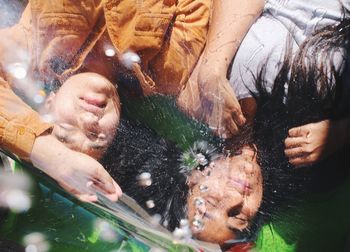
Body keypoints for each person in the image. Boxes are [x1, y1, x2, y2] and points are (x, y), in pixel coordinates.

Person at [0, 0, 210, 200]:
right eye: (96, 138)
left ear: (49, 103)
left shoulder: (38, 43)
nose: (90, 122)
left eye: (65, 131)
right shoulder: (167, 70)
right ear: (117, 129)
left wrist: (49, 154)